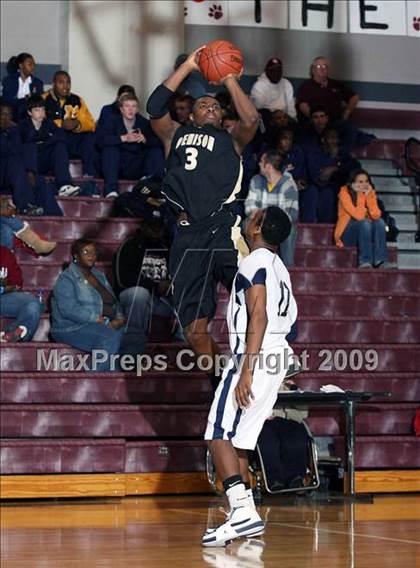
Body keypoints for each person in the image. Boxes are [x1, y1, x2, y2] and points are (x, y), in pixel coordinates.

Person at [146, 46, 259, 390]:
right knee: (194, 333)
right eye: (202, 105)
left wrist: (229, 78)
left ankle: (275, 361)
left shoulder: (232, 140)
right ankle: (223, 378)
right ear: (191, 116)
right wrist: (190, 66)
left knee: (256, 296)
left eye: (216, 105)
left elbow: (251, 119)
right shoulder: (173, 135)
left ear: (223, 116)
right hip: (185, 235)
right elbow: (153, 107)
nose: (210, 106)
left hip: (222, 229)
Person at [203, 206, 297, 547]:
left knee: (217, 432)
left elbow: (259, 317)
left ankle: (241, 512)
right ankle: (246, 516)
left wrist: (247, 369)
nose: (247, 217)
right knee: (240, 438)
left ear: (257, 227)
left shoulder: (254, 261)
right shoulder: (279, 268)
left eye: (253, 214)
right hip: (277, 355)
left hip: (255, 354)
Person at [50, 239, 125, 371]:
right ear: (76, 256)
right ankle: (90, 377)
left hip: (104, 324)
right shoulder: (67, 278)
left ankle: (114, 382)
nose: (91, 255)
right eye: (86, 252)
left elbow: (114, 301)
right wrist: (97, 319)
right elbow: (69, 310)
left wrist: (119, 318)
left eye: (94, 252)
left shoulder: (99, 276)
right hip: (72, 326)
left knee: (135, 338)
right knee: (111, 336)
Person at [113, 218, 183, 355]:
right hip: (132, 297)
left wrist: (172, 284)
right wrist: (155, 286)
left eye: (159, 227)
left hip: (161, 300)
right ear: (143, 226)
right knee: (139, 294)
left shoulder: (167, 248)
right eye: (152, 226)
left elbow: (178, 274)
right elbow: (122, 280)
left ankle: (183, 345)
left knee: (189, 291)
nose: (156, 230)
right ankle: (132, 350)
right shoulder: (129, 246)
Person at [96, 93, 164, 197]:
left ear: (137, 109)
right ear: (121, 109)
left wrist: (145, 140)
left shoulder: (144, 123)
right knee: (110, 150)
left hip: (138, 164)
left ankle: (152, 187)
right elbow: (100, 141)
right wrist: (123, 138)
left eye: (133, 106)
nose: (130, 109)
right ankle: (111, 190)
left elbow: (160, 142)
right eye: (127, 106)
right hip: (119, 165)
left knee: (156, 151)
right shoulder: (112, 121)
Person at [1, 103, 62, 216]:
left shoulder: (14, 131)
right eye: (3, 114)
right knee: (15, 162)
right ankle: (25, 206)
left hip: (14, 178)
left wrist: (30, 171)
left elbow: (22, 148)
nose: (6, 118)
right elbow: (8, 151)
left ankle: (55, 217)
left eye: (9, 115)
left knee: (40, 180)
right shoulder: (12, 131)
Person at [19, 95, 80, 196]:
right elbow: (28, 141)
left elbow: (61, 137)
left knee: (60, 146)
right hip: (29, 165)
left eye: (43, 109)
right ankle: (32, 185)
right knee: (30, 147)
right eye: (37, 110)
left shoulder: (48, 123)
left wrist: (43, 142)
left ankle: (64, 185)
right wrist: (46, 138)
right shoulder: (23, 125)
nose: (41, 113)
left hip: (44, 160)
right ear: (29, 112)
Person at [245, 150, 298, 267]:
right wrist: (263, 219)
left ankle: (287, 267)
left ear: (268, 166)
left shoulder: (288, 184)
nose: (259, 164)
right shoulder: (256, 180)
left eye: (261, 162)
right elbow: (250, 206)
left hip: (277, 224)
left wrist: (272, 220)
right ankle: (250, 263)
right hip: (260, 222)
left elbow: (292, 212)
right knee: (246, 224)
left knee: (290, 229)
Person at [42, 71, 97, 179]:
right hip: (53, 141)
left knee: (91, 137)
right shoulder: (44, 99)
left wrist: (77, 125)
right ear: (53, 84)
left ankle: (89, 176)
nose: (65, 86)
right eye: (61, 82)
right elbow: (38, 122)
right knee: (59, 137)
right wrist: (61, 124)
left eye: (68, 82)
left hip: (73, 140)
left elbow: (91, 123)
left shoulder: (77, 100)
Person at [335, 169, 395, 269]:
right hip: (347, 234)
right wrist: (360, 195)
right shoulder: (344, 193)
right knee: (365, 223)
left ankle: (381, 260)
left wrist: (370, 196)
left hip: (365, 233)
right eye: (360, 182)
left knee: (380, 222)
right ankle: (365, 261)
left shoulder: (369, 193)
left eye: (366, 181)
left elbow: (376, 215)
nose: (364, 184)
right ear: (352, 183)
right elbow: (359, 216)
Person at [303, 128, 360, 223]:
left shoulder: (342, 153)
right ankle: (309, 225)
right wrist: (332, 159)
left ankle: (325, 226)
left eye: (336, 138)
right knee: (312, 192)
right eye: (331, 138)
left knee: (329, 193)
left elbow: (355, 166)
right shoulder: (314, 153)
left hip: (333, 189)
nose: (334, 141)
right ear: (323, 140)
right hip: (315, 186)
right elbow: (320, 178)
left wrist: (335, 168)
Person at [297, 56, 359, 124]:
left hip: (337, 123)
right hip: (315, 125)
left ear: (328, 70)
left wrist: (346, 113)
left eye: (324, 66)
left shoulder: (336, 84)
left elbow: (354, 97)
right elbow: (303, 106)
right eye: (318, 66)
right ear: (313, 69)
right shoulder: (305, 86)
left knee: (356, 133)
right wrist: (318, 119)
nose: (321, 69)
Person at [0, 245, 43, 342]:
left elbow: (17, 283)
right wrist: (3, 286)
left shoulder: (5, 253)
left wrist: (4, 288)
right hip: (4, 292)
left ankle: (10, 334)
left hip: (4, 299)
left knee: (32, 303)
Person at [1, 53, 44, 120]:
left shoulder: (37, 83)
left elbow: (38, 103)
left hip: (30, 118)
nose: (32, 67)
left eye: (33, 65)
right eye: (29, 64)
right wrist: (26, 99)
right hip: (12, 117)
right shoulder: (9, 81)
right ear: (21, 65)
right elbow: (7, 101)